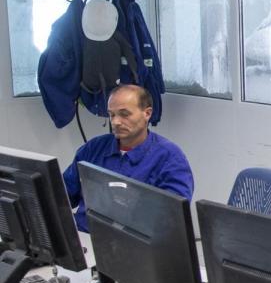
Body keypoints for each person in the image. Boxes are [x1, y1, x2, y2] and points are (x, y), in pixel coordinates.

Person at [63, 84, 193, 232]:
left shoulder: (169, 158)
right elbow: (62, 195)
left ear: (147, 113)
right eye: (112, 115)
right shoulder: (93, 149)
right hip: (84, 237)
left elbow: (173, 216)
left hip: (132, 245)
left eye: (124, 114)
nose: (116, 122)